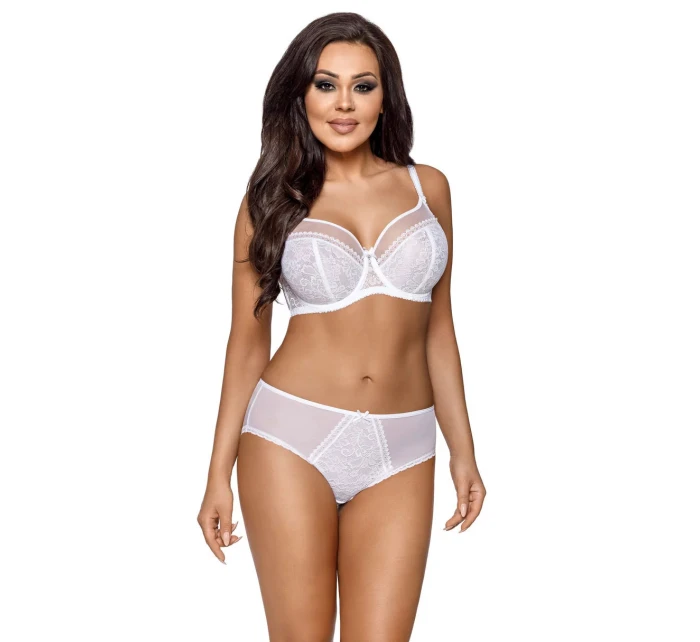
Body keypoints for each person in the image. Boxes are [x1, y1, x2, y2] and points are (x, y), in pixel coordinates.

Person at [197, 11, 486, 641]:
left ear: (386, 97)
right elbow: (246, 344)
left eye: (363, 85)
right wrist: (217, 473)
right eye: (326, 85)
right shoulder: (269, 200)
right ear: (301, 96)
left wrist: (464, 451)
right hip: (289, 437)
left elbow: (439, 330)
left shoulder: (428, 189)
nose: (344, 104)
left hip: (404, 447)